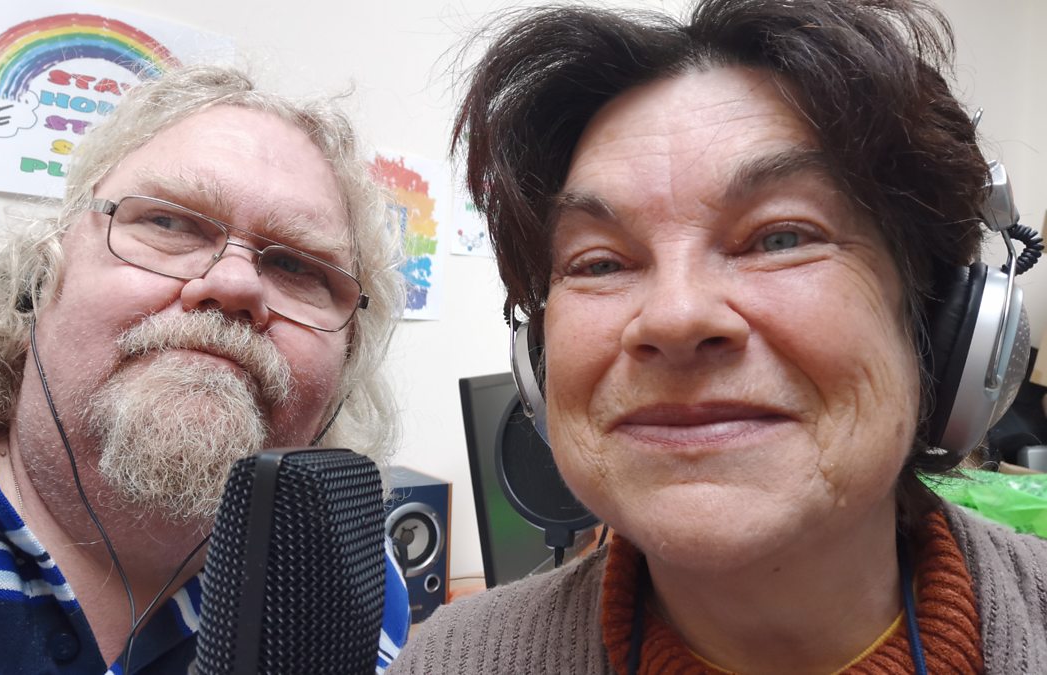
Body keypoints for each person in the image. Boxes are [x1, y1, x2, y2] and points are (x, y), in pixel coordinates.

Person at [391, 1, 1047, 673]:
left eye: (781, 237)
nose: (675, 317)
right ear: (537, 363)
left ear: (940, 324)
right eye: (600, 263)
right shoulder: (444, 661)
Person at [0, 64, 408, 672]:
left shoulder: (356, 577)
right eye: (168, 222)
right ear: (40, 273)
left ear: (347, 360)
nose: (233, 283)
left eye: (298, 268)